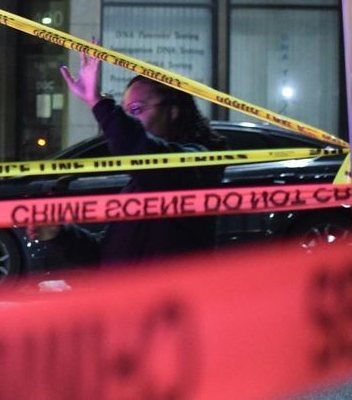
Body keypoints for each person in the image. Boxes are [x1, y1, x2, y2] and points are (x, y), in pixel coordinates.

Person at [53, 46, 228, 265]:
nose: (131, 120)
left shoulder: (196, 167)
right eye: (126, 113)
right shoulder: (139, 183)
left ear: (172, 112)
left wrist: (98, 103)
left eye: (136, 110)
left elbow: (141, 149)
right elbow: (107, 257)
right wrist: (60, 233)